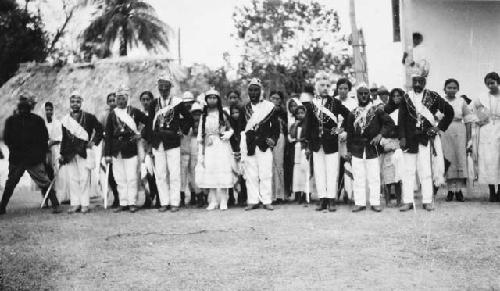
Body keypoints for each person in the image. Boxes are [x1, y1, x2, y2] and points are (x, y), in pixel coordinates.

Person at [398, 69, 453, 212]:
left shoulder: (433, 97)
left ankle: (427, 201)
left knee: (426, 171)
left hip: (425, 138)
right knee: (408, 171)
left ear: (425, 82)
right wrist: (402, 137)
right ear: (412, 82)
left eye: (420, 81)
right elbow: (401, 119)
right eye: (415, 81)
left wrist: (438, 128)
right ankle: (407, 201)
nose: (417, 84)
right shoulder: (406, 97)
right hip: (409, 140)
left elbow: (449, 112)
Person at [0, 94, 61, 215]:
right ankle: (2, 206)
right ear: (18, 108)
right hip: (17, 158)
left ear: (29, 108)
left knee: (43, 180)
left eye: (25, 107)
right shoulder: (11, 121)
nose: (23, 110)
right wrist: (16, 149)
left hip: (33, 158)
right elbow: (7, 139)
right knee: (11, 182)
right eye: (21, 107)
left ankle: (55, 203)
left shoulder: (37, 120)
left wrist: (39, 153)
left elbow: (43, 139)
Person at [344, 84, 394, 212]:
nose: (364, 96)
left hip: (372, 148)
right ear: (357, 95)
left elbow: (389, 123)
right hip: (357, 149)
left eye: (366, 93)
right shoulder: (352, 114)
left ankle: (375, 202)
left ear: (369, 95)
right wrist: (349, 151)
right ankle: (360, 203)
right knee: (359, 176)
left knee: (374, 176)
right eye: (361, 93)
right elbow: (349, 134)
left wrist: (380, 135)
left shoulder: (376, 110)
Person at [148, 73, 193, 212]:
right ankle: (164, 202)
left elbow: (189, 119)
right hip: (158, 143)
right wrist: (151, 143)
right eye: (160, 88)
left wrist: (182, 131)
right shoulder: (153, 104)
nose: (163, 90)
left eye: (166, 87)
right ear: (158, 88)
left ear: (170, 88)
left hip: (173, 142)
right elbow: (150, 124)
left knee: (174, 173)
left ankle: (174, 202)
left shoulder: (177, 103)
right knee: (160, 174)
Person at [306, 72, 350, 212]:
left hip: (331, 142)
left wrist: (341, 130)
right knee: (319, 172)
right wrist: (308, 143)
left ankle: (331, 200)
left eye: (327, 85)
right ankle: (322, 200)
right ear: (317, 87)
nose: (325, 88)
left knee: (332, 171)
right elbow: (307, 125)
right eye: (322, 85)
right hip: (316, 143)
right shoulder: (311, 104)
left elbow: (349, 116)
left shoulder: (335, 102)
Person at [104, 86, 148, 213]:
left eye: (122, 98)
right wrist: (107, 154)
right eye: (118, 98)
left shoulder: (134, 111)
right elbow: (108, 135)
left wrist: (141, 134)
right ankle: (123, 203)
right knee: (119, 178)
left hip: (130, 148)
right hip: (116, 150)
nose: (120, 101)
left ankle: (132, 203)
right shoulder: (112, 114)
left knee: (131, 177)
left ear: (127, 99)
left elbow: (149, 122)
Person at [60, 91, 103, 214]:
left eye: (77, 101)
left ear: (81, 102)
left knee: (84, 178)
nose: (75, 104)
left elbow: (99, 130)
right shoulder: (65, 120)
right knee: (73, 178)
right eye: (72, 102)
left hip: (83, 150)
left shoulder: (89, 117)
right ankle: (75, 204)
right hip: (70, 153)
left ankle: (85, 204)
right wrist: (62, 154)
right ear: (69, 103)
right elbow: (64, 138)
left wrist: (94, 141)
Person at [241, 78, 280, 211]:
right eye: (251, 90)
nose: (253, 92)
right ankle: (253, 200)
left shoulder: (269, 107)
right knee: (251, 174)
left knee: (266, 173)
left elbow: (276, 127)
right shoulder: (245, 108)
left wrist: (273, 139)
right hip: (250, 144)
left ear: (261, 91)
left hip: (264, 144)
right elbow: (241, 129)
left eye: (256, 90)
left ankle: (266, 200)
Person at [195, 89, 235, 210]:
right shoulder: (204, 115)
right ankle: (212, 200)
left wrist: (229, 134)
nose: (212, 100)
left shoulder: (223, 113)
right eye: (209, 98)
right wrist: (201, 151)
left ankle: (224, 200)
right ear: (206, 100)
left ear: (218, 100)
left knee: (222, 170)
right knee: (210, 171)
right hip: (209, 146)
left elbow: (231, 128)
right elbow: (200, 134)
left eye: (214, 97)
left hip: (221, 144)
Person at [440, 79, 474, 202]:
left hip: (460, 131)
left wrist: (469, 138)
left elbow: (469, 120)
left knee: (460, 159)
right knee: (448, 159)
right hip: (445, 132)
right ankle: (450, 191)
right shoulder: (440, 102)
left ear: (457, 89)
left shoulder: (461, 102)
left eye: (454, 88)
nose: (452, 90)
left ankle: (459, 191)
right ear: (445, 88)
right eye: (449, 87)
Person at [472, 72, 500, 202]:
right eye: (488, 83)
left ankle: (499, 190)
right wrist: (481, 120)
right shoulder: (481, 98)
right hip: (487, 130)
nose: (490, 85)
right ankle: (491, 191)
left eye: (493, 82)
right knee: (488, 160)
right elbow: (474, 112)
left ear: (498, 82)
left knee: (499, 160)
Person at [380, 88, 405, 206]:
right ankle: (388, 200)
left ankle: (400, 200)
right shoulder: (385, 110)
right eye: (394, 96)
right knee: (387, 172)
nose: (396, 98)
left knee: (399, 173)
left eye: (399, 96)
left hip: (399, 141)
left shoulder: (405, 110)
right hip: (388, 140)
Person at [335, 78, 357, 204]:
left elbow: (353, 121)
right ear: (337, 89)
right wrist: (337, 132)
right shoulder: (333, 101)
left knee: (347, 164)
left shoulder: (353, 103)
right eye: (340, 88)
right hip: (334, 136)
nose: (343, 91)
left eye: (345, 88)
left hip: (347, 137)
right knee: (336, 167)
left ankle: (349, 194)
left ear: (349, 90)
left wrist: (347, 133)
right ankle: (335, 194)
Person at [42, 102, 68, 205]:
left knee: (55, 173)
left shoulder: (57, 123)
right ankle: (46, 198)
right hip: (44, 150)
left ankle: (57, 197)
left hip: (54, 150)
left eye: (50, 109)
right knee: (45, 174)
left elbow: (60, 138)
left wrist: (51, 143)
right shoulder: (41, 123)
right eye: (46, 109)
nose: (49, 112)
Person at [138, 91, 160, 208]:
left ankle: (158, 198)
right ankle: (148, 198)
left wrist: (151, 147)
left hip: (153, 146)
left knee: (155, 173)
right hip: (141, 146)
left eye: (148, 99)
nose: (146, 102)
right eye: (143, 99)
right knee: (144, 173)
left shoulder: (156, 114)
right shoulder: (138, 114)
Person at [100, 93, 120, 207]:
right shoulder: (104, 115)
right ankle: (116, 195)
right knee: (110, 173)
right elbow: (99, 129)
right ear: (107, 102)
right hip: (107, 146)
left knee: (119, 172)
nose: (113, 103)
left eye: (114, 100)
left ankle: (122, 197)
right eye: (110, 100)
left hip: (118, 145)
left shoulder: (121, 113)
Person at [289, 105, 309, 203]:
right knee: (297, 172)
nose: (300, 115)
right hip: (296, 149)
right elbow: (292, 135)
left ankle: (305, 194)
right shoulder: (294, 125)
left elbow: (308, 137)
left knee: (304, 170)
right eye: (298, 113)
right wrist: (296, 125)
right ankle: (297, 193)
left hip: (304, 148)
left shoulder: (308, 124)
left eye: (302, 113)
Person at [269, 90, 287, 203]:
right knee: (269, 166)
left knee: (278, 165)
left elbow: (286, 127)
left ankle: (279, 194)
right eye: (273, 98)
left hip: (279, 138)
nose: (275, 100)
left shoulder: (282, 112)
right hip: (267, 138)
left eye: (278, 99)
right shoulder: (264, 109)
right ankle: (270, 195)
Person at [180, 91, 196, 206]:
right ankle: (181, 197)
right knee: (183, 173)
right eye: (186, 103)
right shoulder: (180, 116)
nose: (188, 105)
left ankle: (196, 196)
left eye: (190, 103)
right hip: (184, 146)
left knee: (194, 172)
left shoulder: (196, 113)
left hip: (194, 145)